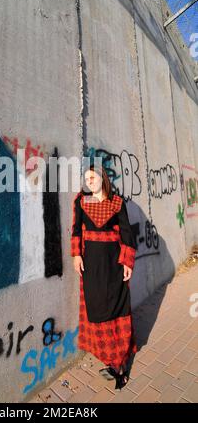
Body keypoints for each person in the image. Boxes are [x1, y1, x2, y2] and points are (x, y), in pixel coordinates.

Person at [70, 164, 137, 390]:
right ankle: (110, 360)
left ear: (103, 178)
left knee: (117, 310)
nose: (89, 181)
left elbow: (127, 232)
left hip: (113, 266)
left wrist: (127, 262)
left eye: (93, 177)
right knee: (97, 310)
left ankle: (121, 365)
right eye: (86, 178)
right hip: (91, 267)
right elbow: (76, 230)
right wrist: (76, 255)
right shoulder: (82, 201)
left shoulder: (117, 203)